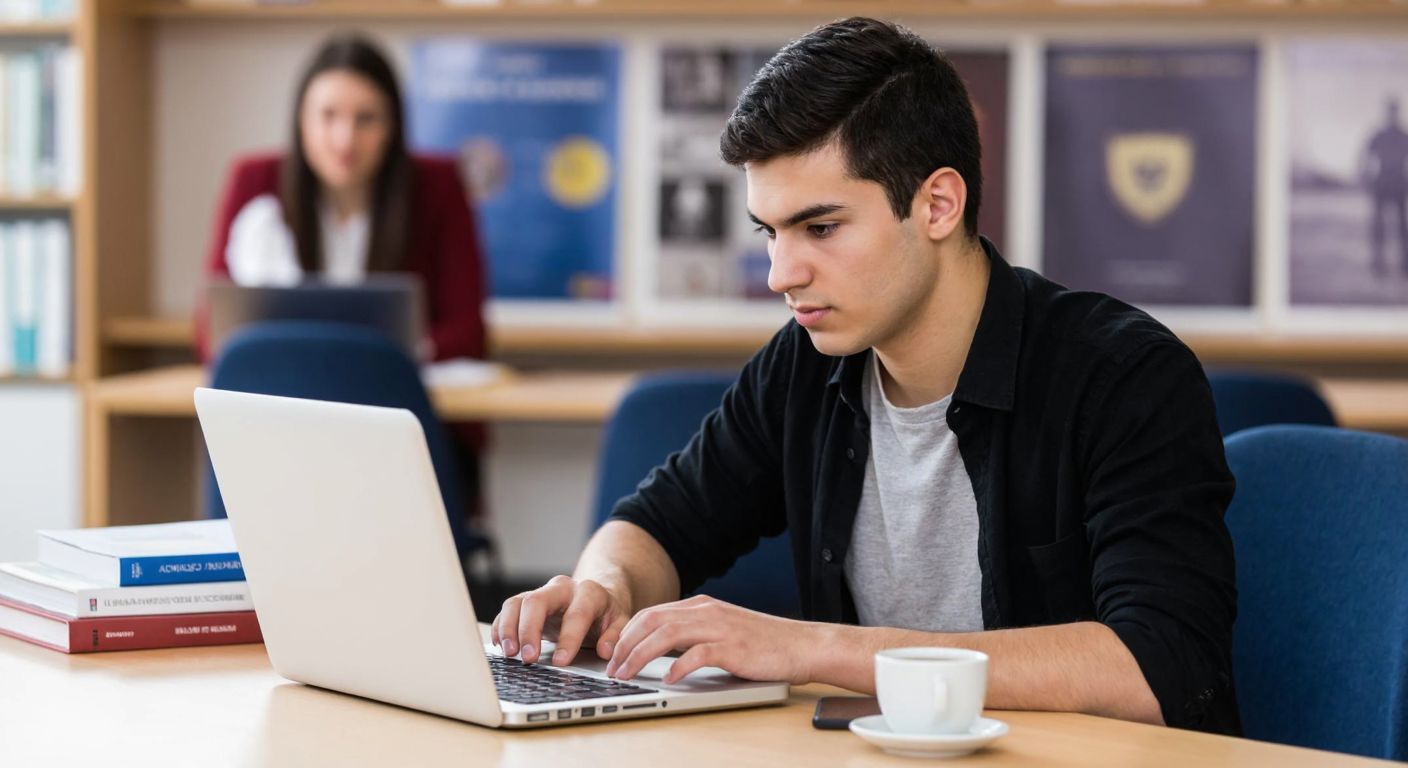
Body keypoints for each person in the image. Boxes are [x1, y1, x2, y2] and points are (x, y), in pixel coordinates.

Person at [493, 17, 1239, 735]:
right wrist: (603, 591)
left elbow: (1158, 668)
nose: (782, 274)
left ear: (938, 204)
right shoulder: (807, 360)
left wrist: (813, 648)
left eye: (820, 228)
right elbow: (655, 526)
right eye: (770, 232)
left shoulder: (1124, 375)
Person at [196, 34, 490, 525]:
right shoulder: (255, 182)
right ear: (300, 120)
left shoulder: (437, 188)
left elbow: (468, 332)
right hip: (278, 444)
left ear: (393, 125)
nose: (344, 139)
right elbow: (214, 333)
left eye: (366, 118)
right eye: (328, 116)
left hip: (400, 444)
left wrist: (365, 363)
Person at [1362, 97, 1408, 277]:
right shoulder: (1378, 135)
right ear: (1386, 113)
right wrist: (1365, 179)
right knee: (1378, 226)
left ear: (1398, 112)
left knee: (1402, 226)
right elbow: (1365, 159)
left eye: (1394, 111)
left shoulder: (1404, 136)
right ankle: (1378, 264)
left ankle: (1405, 264)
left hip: (1399, 183)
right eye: (1389, 111)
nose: (1392, 115)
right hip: (1381, 183)